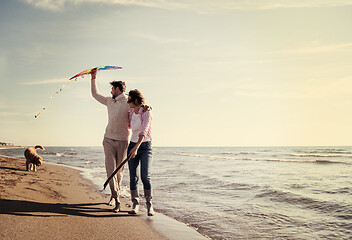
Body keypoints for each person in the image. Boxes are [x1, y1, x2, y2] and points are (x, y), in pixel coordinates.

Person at [90, 69, 129, 212]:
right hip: (108, 139)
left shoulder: (128, 103)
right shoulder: (108, 101)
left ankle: (113, 195)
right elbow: (95, 94)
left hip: (123, 141)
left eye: (112, 88)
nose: (111, 91)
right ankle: (117, 199)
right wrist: (93, 78)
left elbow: (138, 109)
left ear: (118, 89)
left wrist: (145, 107)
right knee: (110, 171)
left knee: (119, 172)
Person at [127, 89, 154, 216]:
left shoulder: (146, 112)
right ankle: (135, 203)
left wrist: (136, 148)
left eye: (129, 99)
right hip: (132, 144)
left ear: (136, 100)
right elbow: (128, 126)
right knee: (133, 176)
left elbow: (143, 131)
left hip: (144, 146)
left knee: (145, 175)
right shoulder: (131, 111)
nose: (128, 102)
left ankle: (149, 204)